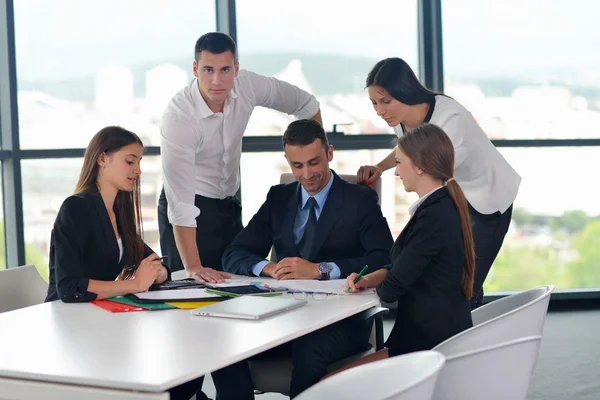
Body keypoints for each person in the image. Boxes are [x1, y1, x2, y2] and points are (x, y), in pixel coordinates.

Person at [45, 126, 252, 400]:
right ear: (102, 159)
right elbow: (69, 288)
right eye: (130, 161)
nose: (138, 170)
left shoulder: (119, 210)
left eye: (139, 162)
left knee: (197, 364)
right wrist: (134, 283)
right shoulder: (76, 208)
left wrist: (155, 274)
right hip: (71, 325)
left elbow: (156, 263)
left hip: (101, 319)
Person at [222, 119, 394, 398]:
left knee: (309, 346)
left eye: (314, 163)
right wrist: (269, 267)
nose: (307, 174)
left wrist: (321, 270)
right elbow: (234, 253)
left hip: (340, 323)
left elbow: (384, 257)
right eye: (297, 166)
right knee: (227, 339)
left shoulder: (360, 199)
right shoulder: (278, 198)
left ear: (330, 153)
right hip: (283, 317)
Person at [158, 32, 322, 285]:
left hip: (229, 203)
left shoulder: (248, 85)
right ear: (195, 69)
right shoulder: (179, 117)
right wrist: (192, 266)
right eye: (208, 70)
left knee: (237, 287)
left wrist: (315, 158)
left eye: (225, 69)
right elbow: (180, 204)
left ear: (236, 68)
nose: (216, 80)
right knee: (190, 294)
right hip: (188, 209)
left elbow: (306, 104)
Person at [357, 57, 521, 309]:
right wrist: (380, 166)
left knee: (465, 285)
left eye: (385, 101)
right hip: (457, 197)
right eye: (374, 103)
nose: (380, 111)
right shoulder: (400, 119)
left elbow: (433, 171)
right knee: (458, 279)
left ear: (404, 91)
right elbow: (408, 149)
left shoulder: (449, 117)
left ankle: (469, 342)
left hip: (487, 198)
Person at [325, 123, 474, 377]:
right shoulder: (442, 205)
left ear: (420, 166)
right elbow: (404, 267)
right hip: (428, 337)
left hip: (427, 348)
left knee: (329, 383)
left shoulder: (434, 217)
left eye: (398, 163)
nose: (395, 172)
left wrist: (376, 284)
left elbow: (393, 288)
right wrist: (369, 279)